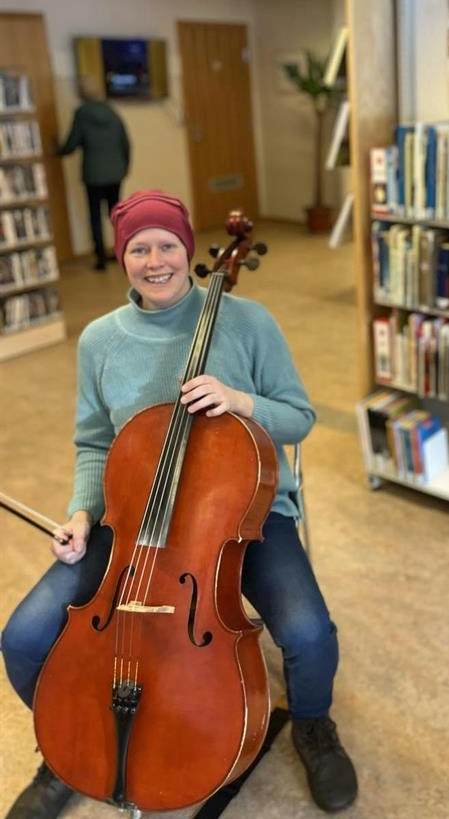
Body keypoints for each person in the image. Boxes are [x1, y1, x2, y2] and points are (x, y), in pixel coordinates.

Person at [2, 190, 358, 818]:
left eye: (167, 244)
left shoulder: (248, 323)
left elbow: (300, 417)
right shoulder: (99, 340)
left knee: (307, 633)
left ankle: (312, 725)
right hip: (132, 518)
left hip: (241, 515)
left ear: (189, 251)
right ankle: (69, 744)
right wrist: (83, 514)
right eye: (139, 248)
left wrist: (242, 402)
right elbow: (93, 443)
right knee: (24, 637)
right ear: (123, 258)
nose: (155, 260)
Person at [57, 76, 130, 270]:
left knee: (95, 215)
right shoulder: (112, 111)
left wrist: (57, 149)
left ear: (81, 93)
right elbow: (125, 142)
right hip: (116, 172)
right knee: (115, 215)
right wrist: (124, 168)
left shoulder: (82, 114)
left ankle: (100, 259)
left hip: (94, 174)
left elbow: (71, 144)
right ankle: (121, 252)